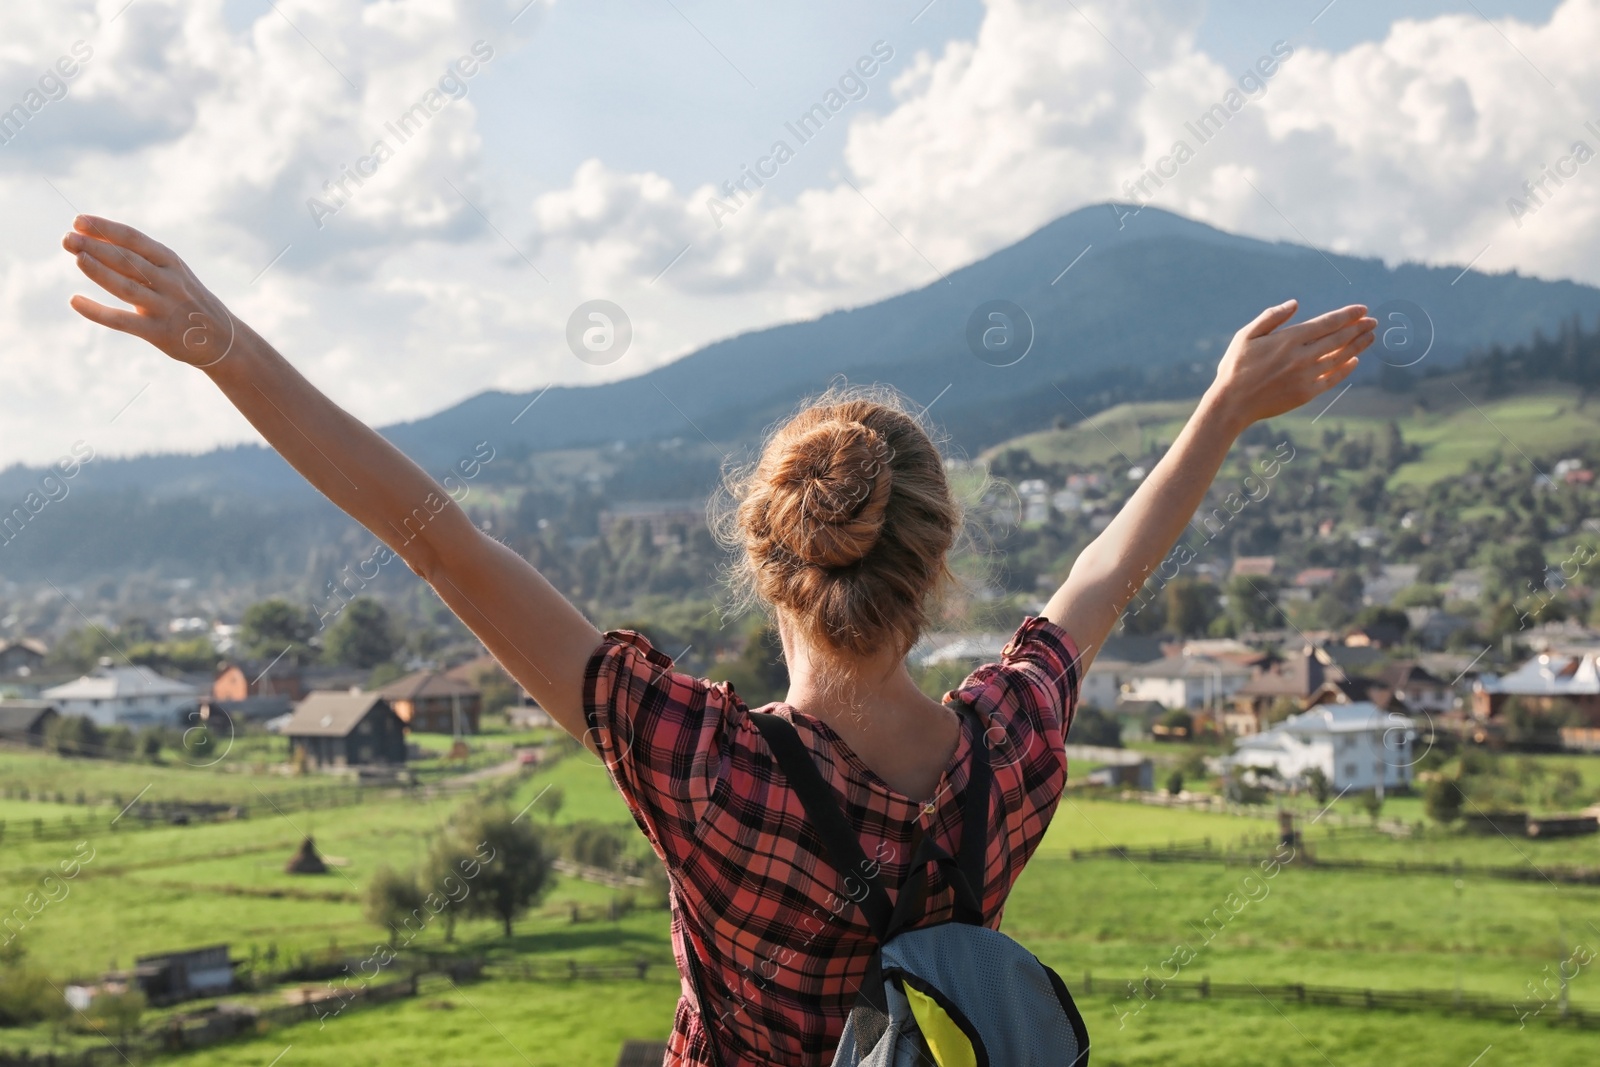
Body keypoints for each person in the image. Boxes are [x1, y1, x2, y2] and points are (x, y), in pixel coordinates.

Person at [61, 214, 1375, 1064]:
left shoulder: (703, 769)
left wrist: (226, 349)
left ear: (768, 562)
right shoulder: (1009, 756)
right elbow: (1109, 576)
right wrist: (1218, 412)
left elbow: (439, 541)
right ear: (937, 567)